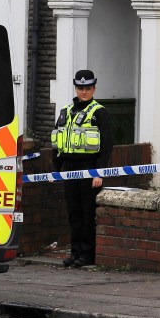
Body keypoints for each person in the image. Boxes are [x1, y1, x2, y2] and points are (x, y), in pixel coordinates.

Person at [51, 69, 113, 268]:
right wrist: (56, 169)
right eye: (80, 88)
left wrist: (99, 172)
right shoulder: (66, 112)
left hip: (89, 167)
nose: (84, 91)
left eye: (87, 88)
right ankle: (75, 252)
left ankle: (87, 254)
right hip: (69, 166)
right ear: (75, 88)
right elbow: (57, 142)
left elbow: (106, 146)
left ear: (94, 88)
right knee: (73, 212)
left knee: (88, 213)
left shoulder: (100, 112)